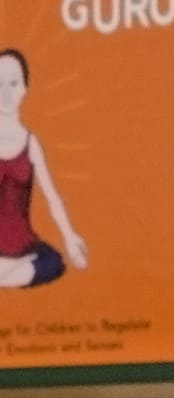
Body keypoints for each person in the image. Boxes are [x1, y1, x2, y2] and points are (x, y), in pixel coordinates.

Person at [0, 50, 89, 290]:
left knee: (54, 264)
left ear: (24, 89)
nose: (6, 93)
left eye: (13, 83)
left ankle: (7, 274)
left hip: (24, 249)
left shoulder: (31, 143)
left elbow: (53, 199)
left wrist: (69, 238)